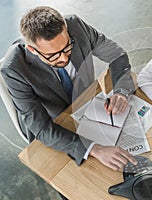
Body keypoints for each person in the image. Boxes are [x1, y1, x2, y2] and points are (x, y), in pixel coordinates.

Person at [0, 6, 137, 170]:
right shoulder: (13, 68)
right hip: (54, 125)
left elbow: (116, 55)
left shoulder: (76, 25)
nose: (65, 58)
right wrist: (94, 149)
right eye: (53, 55)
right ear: (32, 50)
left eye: (67, 47)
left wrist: (121, 92)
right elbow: (42, 128)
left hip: (87, 105)